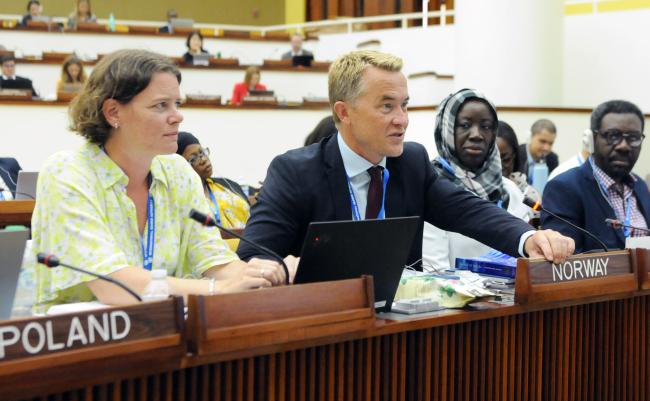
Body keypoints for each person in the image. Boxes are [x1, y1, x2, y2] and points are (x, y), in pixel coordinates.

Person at [238, 51, 574, 267]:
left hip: (400, 333)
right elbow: (253, 256)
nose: (402, 119)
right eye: (387, 106)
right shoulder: (296, 171)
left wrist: (529, 237)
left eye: (405, 105)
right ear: (345, 112)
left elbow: (468, 211)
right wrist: (285, 267)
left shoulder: (410, 163)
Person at [31, 49, 290, 309]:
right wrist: (217, 289)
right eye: (160, 105)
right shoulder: (67, 173)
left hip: (166, 330)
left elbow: (213, 259)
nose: (177, 116)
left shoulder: (178, 171)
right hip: (79, 338)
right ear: (113, 113)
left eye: (177, 103)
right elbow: (112, 284)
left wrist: (254, 276)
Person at [422, 90, 530, 270]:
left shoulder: (509, 190)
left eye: (486, 126)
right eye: (465, 125)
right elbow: (435, 272)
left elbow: (524, 262)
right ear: (446, 129)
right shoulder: (432, 188)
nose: (476, 135)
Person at [542, 100, 650, 253]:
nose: (623, 146)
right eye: (613, 136)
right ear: (592, 140)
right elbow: (566, 266)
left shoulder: (640, 186)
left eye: (633, 138)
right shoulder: (563, 188)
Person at [176, 131, 250, 250]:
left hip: (251, 246)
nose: (203, 159)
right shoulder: (182, 198)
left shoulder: (229, 186)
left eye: (202, 152)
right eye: (193, 159)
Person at [497, 120, 541, 215]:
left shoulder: (527, 193)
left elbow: (537, 220)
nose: (499, 166)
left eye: (506, 159)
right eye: (493, 160)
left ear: (515, 156)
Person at [516, 119, 559, 189]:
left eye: (550, 143)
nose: (547, 148)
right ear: (530, 137)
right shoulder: (516, 154)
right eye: (542, 141)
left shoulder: (553, 159)